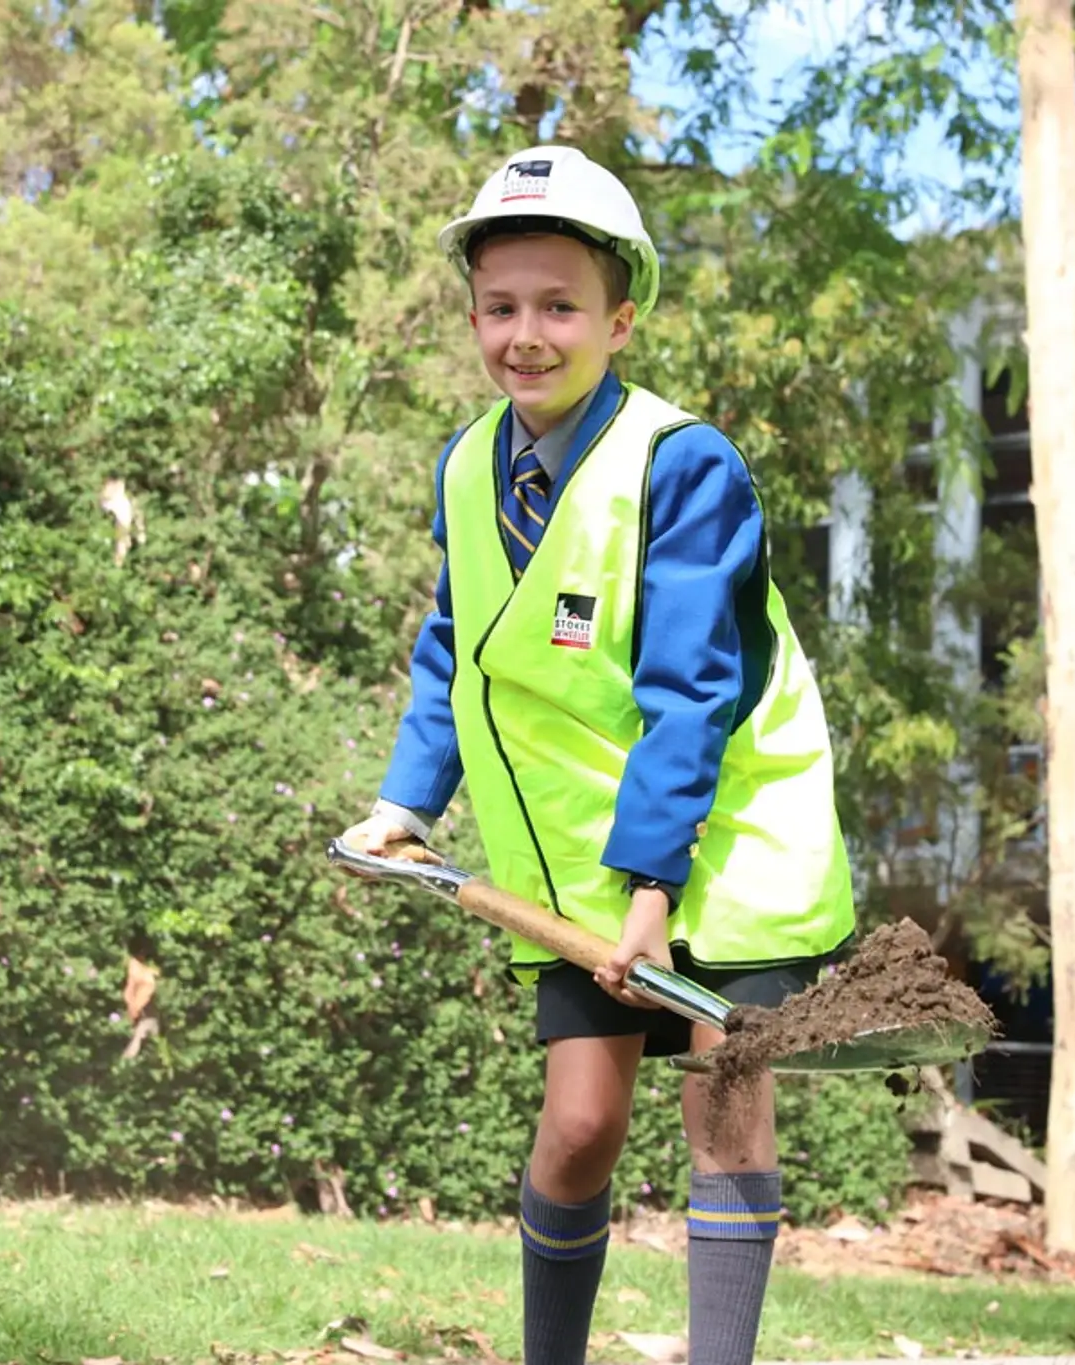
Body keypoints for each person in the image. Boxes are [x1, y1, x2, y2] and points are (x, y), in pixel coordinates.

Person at [337, 144, 856, 1365]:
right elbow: (457, 649)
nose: (529, 334)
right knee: (577, 1123)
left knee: (720, 1098)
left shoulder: (684, 467)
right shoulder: (470, 468)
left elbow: (691, 692)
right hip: (579, 869)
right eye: (502, 306)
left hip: (722, 842)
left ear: (618, 319)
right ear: (471, 316)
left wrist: (655, 889)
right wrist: (404, 804)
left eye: (559, 306)